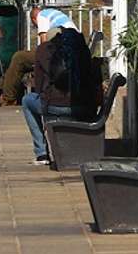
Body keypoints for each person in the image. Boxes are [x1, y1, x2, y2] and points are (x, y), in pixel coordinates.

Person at [22, 8, 95, 165]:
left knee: (27, 101)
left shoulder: (43, 50)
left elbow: (40, 87)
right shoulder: (83, 51)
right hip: (84, 107)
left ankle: (41, 154)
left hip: (54, 106)